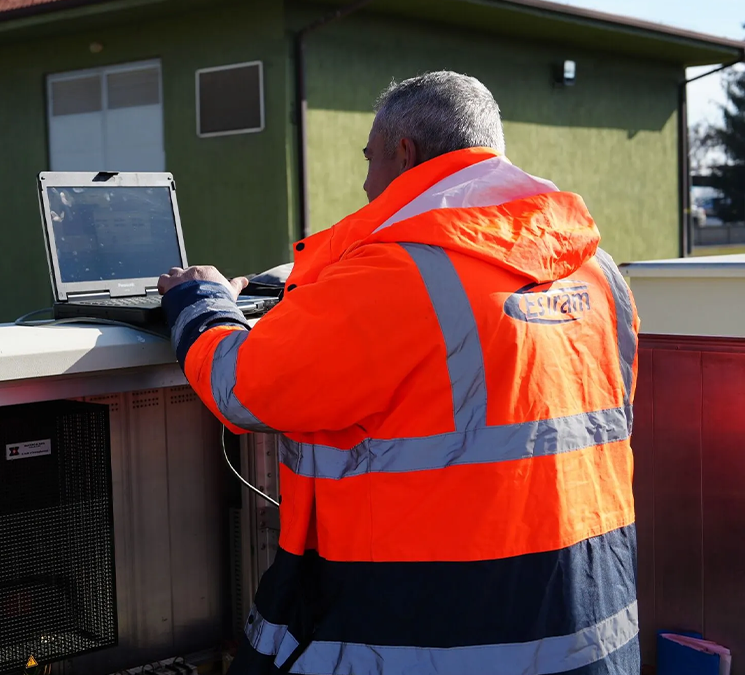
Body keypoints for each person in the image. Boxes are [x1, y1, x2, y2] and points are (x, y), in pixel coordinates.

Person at [158, 71, 639, 675]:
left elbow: (245, 387)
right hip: (591, 626)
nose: (365, 184)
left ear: (404, 153)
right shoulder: (597, 271)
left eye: (369, 159)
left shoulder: (397, 273)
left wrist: (201, 302)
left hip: (437, 630)